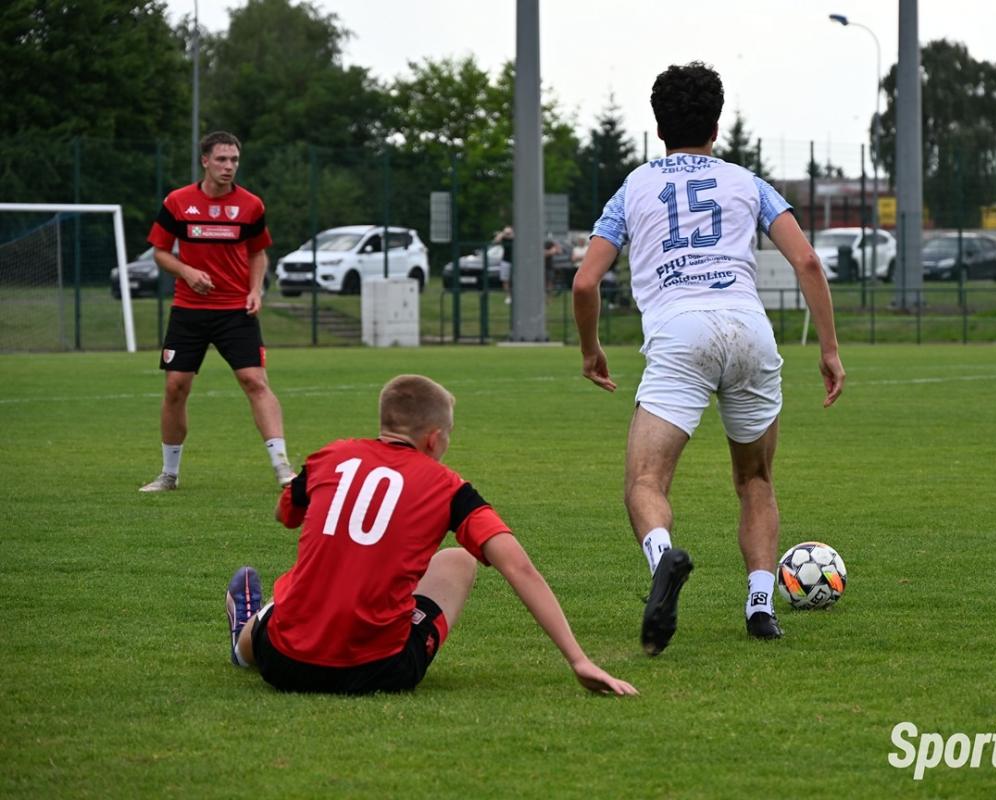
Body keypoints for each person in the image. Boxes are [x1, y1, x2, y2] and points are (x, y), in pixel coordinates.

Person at [572, 62, 845, 655]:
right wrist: (828, 348)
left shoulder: (633, 187)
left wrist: (592, 351)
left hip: (681, 333)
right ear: (716, 126)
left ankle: (664, 561)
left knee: (646, 481)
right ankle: (760, 606)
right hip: (750, 331)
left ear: (658, 127)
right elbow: (807, 261)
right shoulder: (748, 182)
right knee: (756, 479)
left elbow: (585, 282)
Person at [224, 374, 637, 697]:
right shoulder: (449, 488)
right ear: (434, 438)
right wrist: (579, 660)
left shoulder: (331, 456)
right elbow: (519, 567)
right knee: (459, 559)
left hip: (284, 663)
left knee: (299, 589)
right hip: (381, 671)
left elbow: (285, 514)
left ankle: (244, 638)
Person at [140, 131, 292, 492]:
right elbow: (160, 252)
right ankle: (169, 474)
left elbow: (258, 252)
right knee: (176, 387)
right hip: (188, 311)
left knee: (255, 382)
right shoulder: (178, 202)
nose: (229, 166)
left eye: (234, 160)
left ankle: (283, 469)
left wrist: (255, 290)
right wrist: (187, 271)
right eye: (222, 159)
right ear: (205, 161)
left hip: (235, 311)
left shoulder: (251, 205)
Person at [493, 225, 515, 304]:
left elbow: (513, 237)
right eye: (506, 232)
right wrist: (501, 234)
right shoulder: (503, 237)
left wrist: (506, 235)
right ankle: (508, 296)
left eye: (509, 232)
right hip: (506, 260)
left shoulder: (514, 236)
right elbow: (496, 241)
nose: (507, 234)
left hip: (516, 261)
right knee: (505, 279)